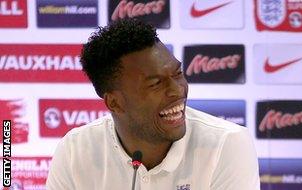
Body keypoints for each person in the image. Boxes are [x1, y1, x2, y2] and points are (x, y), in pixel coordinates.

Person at [46, 19, 260, 189]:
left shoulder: (228, 144)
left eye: (177, 73)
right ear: (115, 103)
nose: (177, 90)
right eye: (156, 84)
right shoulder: (75, 151)